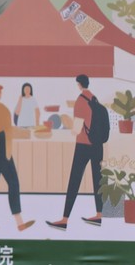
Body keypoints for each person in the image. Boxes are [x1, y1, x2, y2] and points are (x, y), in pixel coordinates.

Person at [47, 74, 105, 230]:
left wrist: (70, 129)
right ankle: (99, 215)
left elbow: (77, 127)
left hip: (83, 145)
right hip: (98, 145)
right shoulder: (94, 98)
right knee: (98, 179)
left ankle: (64, 219)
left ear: (79, 84)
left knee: (74, 180)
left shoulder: (80, 101)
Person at [0, 85, 34, 232]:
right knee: (13, 182)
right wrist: (8, 152)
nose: (1, 93)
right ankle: (20, 223)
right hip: (1, 146)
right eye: (0, 92)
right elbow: (8, 131)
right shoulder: (2, 109)